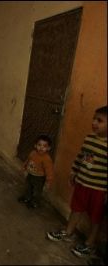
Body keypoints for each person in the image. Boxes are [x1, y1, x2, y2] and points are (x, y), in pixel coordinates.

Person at [46, 106, 107, 258]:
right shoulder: (89, 139)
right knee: (76, 209)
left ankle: (90, 244)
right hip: (82, 183)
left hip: (98, 189)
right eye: (94, 119)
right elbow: (81, 157)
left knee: (95, 218)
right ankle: (68, 232)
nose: (94, 122)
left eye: (99, 120)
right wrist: (74, 172)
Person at [17, 135, 54, 209]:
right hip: (30, 174)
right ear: (35, 145)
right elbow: (28, 160)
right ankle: (27, 197)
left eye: (44, 146)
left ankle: (35, 202)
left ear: (48, 148)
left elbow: (49, 171)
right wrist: (24, 167)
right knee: (28, 187)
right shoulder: (33, 153)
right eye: (39, 145)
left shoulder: (46, 159)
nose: (41, 148)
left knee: (37, 191)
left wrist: (48, 181)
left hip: (39, 178)